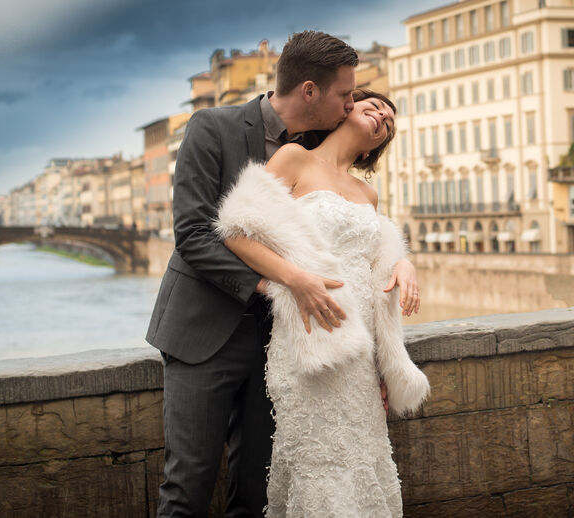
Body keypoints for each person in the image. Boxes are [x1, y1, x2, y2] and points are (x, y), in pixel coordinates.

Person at [145, 31, 420, 517]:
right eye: (348, 95)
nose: (355, 104)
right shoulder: (213, 126)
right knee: (188, 484)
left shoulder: (322, 148)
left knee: (253, 490)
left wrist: (399, 259)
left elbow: (358, 239)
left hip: (287, 342)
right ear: (310, 91)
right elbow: (194, 234)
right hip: (204, 331)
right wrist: (282, 284)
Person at [214, 88, 428, 517]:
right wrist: (293, 281)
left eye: (389, 121)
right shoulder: (293, 158)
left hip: (361, 353)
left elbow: (374, 260)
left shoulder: (369, 196)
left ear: (377, 147)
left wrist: (401, 263)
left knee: (363, 462)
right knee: (320, 464)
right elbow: (237, 230)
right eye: (376, 104)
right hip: (309, 337)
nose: (384, 114)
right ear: (347, 108)